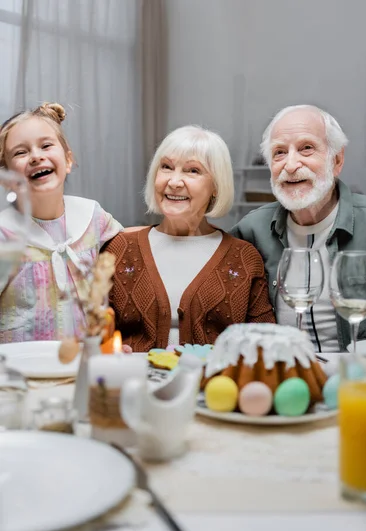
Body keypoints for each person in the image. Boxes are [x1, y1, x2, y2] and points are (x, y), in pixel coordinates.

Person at [231, 104, 366, 352]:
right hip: (283, 378)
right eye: (279, 152)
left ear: (337, 160)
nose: (290, 165)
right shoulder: (249, 232)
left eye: (306, 148)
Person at [104, 125, 275, 351]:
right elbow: (93, 329)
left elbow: (265, 341)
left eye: (192, 171)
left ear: (215, 185)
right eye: (166, 167)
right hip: (134, 381)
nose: (174, 182)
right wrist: (109, 348)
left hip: (213, 384)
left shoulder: (243, 257)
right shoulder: (120, 248)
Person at [0, 102, 122, 343]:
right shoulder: (4, 234)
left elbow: (135, 248)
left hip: (82, 365)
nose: (36, 156)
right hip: (20, 370)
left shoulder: (93, 217)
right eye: (21, 152)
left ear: (67, 160)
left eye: (46, 145)